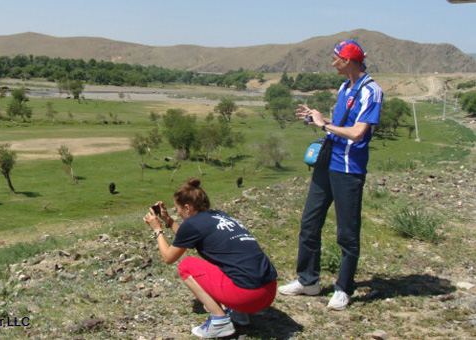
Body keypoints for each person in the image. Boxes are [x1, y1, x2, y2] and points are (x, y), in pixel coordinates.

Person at [279, 40, 384, 310]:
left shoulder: (371, 91)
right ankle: (308, 280)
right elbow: (339, 125)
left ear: (348, 61)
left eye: (336, 58)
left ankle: (343, 288)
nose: (332, 62)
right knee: (310, 223)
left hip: (349, 169)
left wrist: (324, 124)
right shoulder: (344, 87)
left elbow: (358, 132)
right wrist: (319, 117)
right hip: (327, 164)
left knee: (347, 233)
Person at [143, 178, 277, 338]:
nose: (177, 212)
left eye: (177, 209)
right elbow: (185, 235)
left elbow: (168, 258)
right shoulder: (220, 216)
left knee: (186, 265)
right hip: (269, 290)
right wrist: (168, 220)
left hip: (249, 296)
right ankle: (238, 314)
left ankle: (220, 321)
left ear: (187, 207)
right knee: (227, 260)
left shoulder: (192, 224)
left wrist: (157, 230)